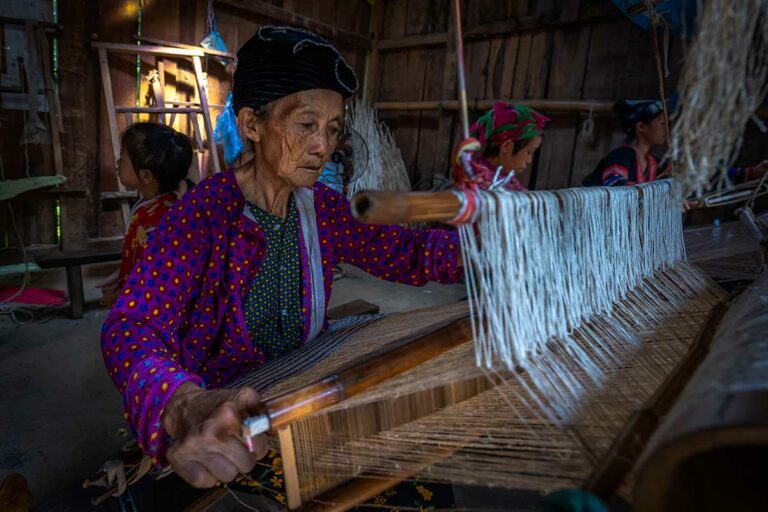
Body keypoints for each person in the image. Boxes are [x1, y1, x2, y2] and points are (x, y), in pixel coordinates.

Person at [100, 26, 463, 496]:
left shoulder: (322, 209)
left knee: (420, 465)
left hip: (303, 383)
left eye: (333, 130)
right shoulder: (201, 216)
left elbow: (407, 253)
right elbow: (130, 325)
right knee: (395, 489)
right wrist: (182, 402)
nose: (323, 146)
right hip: (237, 414)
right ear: (252, 124)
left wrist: (494, 250)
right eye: (306, 125)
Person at [96, 122, 193, 307]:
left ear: (146, 176)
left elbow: (158, 286)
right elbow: (143, 259)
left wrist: (118, 299)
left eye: (122, 159)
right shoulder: (149, 206)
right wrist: (122, 273)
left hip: (147, 313)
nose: (117, 163)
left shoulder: (160, 221)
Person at [582, 99, 768, 188]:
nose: (666, 129)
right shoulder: (620, 158)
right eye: (662, 123)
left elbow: (694, 177)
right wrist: (663, 198)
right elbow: (613, 186)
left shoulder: (655, 164)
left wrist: (749, 173)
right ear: (641, 126)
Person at [464, 102, 550, 191]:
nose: (529, 160)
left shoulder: (506, 180)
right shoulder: (484, 186)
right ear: (507, 146)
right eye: (529, 152)